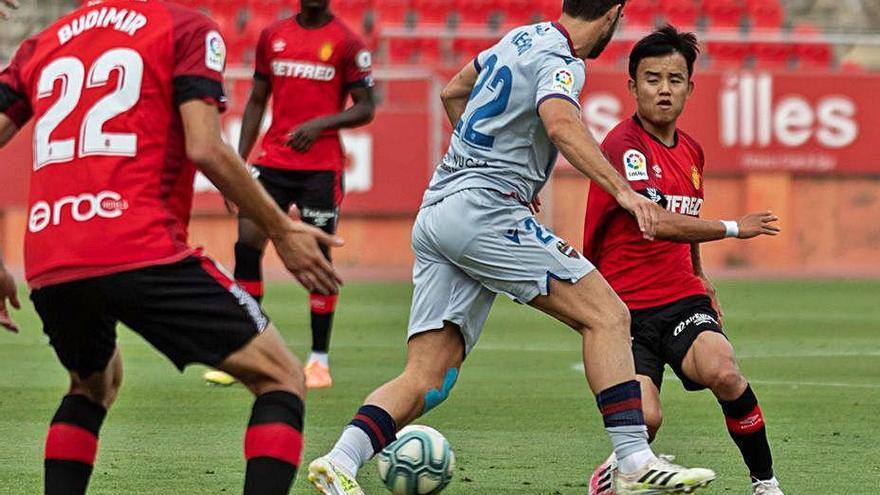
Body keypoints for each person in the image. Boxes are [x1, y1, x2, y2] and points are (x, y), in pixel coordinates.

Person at [305, 2, 723, 494]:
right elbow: (562, 126)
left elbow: (453, 90)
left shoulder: (520, 39)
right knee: (608, 315)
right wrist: (623, 192)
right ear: (612, 15)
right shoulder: (563, 62)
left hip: (440, 208)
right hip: (486, 212)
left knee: (429, 376)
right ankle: (632, 459)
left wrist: (494, 160)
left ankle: (339, 460)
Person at [0, 1, 344, 493]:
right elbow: (204, 146)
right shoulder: (184, 27)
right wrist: (284, 231)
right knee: (282, 378)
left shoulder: (43, 43)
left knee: (92, 386)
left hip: (52, 259)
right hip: (139, 244)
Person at [584, 26, 784, 495]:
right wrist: (734, 227)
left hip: (679, 298)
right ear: (632, 86)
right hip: (622, 311)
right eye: (652, 78)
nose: (664, 89)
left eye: (675, 79)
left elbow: (684, 217)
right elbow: (656, 222)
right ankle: (612, 473)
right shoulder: (623, 148)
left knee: (725, 371)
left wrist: (700, 278)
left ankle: (766, 483)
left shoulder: (692, 150)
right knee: (647, 417)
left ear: (690, 88)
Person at [213, 0, 376, 389]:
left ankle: (318, 360)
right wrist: (236, 165)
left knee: (317, 258)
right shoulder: (273, 37)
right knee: (246, 248)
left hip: (320, 169)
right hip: (272, 161)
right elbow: (256, 100)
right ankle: (245, 349)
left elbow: (367, 107)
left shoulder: (347, 44)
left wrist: (320, 124)